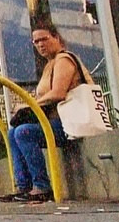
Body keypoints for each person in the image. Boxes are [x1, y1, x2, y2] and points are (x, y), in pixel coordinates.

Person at [6, 20, 86, 203]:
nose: (40, 44)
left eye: (44, 39)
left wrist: (29, 105)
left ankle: (42, 186)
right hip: (56, 122)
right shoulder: (49, 65)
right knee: (13, 133)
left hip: (69, 123)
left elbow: (58, 93)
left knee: (24, 132)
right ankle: (24, 186)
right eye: (36, 41)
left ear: (56, 37)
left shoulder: (64, 59)